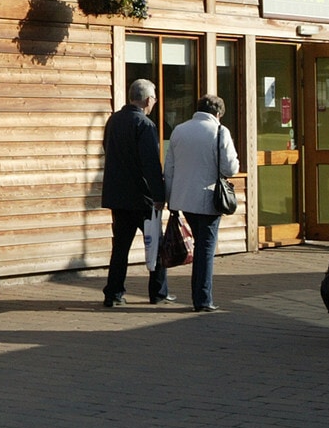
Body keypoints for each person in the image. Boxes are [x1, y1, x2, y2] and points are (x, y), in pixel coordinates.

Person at [164, 95, 241, 312]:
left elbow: (169, 167)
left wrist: (170, 198)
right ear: (218, 114)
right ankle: (202, 298)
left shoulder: (179, 130)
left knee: (200, 246)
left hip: (184, 198)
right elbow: (230, 169)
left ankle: (200, 297)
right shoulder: (220, 131)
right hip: (208, 199)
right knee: (206, 249)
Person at [101, 79, 168, 306]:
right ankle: (158, 293)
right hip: (142, 198)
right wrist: (160, 196)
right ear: (148, 100)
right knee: (156, 245)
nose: (154, 102)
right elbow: (151, 164)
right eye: (154, 99)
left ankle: (113, 294)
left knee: (120, 248)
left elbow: (106, 149)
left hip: (118, 196)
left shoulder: (113, 121)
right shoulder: (145, 125)